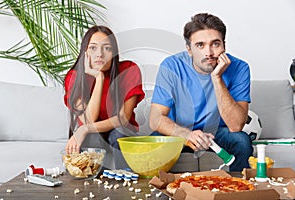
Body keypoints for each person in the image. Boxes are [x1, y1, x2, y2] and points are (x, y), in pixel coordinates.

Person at [149, 13, 253, 172]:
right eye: (200, 45)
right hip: (178, 132)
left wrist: (217, 78)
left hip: (216, 134)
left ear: (224, 46)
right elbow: (156, 118)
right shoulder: (171, 66)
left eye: (215, 44)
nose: (209, 53)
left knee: (241, 141)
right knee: (151, 144)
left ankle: (236, 191)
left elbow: (236, 125)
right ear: (189, 49)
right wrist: (186, 135)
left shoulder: (240, 68)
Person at [64, 25, 145, 154]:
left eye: (107, 48)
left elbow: (123, 118)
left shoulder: (129, 69)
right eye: (93, 48)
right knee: (93, 137)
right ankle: (97, 174)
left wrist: (84, 129)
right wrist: (99, 78)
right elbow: (89, 119)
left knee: (118, 134)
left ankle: (126, 174)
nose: (100, 54)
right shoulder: (74, 77)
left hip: (120, 132)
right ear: (85, 52)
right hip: (91, 137)